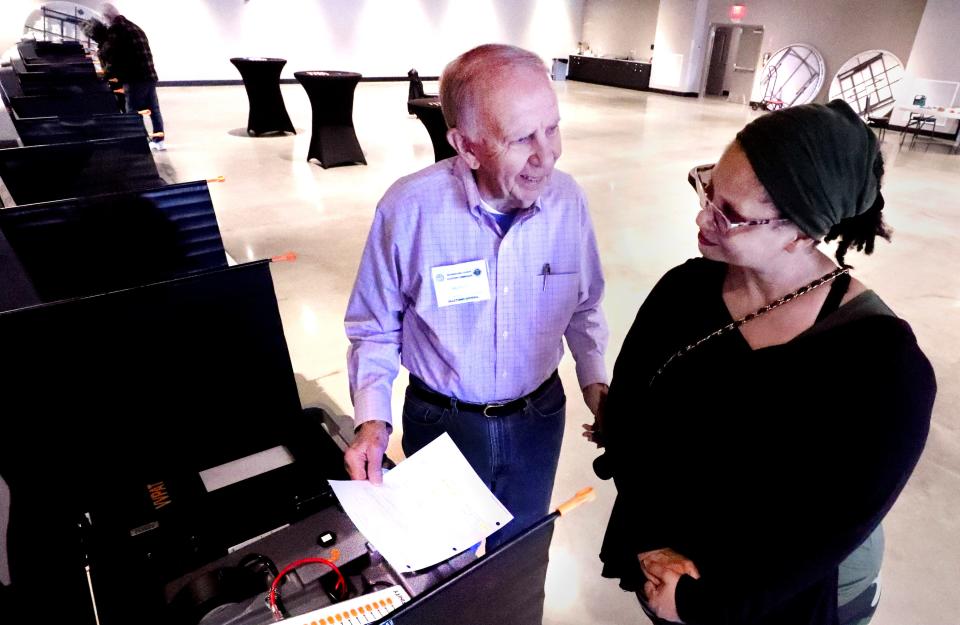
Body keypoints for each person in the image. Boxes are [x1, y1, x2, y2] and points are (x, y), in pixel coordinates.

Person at [592, 100, 936, 625]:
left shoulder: (885, 368)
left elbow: (825, 530)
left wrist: (698, 603)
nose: (701, 217)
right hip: (663, 570)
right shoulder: (685, 289)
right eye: (706, 186)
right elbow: (635, 412)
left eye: (728, 213)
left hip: (766, 604)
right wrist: (652, 547)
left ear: (802, 231)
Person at [344, 44, 609, 550]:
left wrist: (596, 386)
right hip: (442, 423)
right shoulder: (410, 209)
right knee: (445, 567)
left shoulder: (568, 200)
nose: (546, 155)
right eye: (521, 138)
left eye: (552, 128)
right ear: (466, 147)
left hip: (539, 419)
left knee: (520, 560)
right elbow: (374, 327)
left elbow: (584, 305)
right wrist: (372, 422)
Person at [97, 3, 166, 151]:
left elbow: (113, 56)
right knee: (154, 108)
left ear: (107, 17)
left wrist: (106, 74)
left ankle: (138, 143)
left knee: (132, 111)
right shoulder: (134, 27)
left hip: (135, 78)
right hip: (150, 75)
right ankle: (159, 141)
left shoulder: (116, 30)